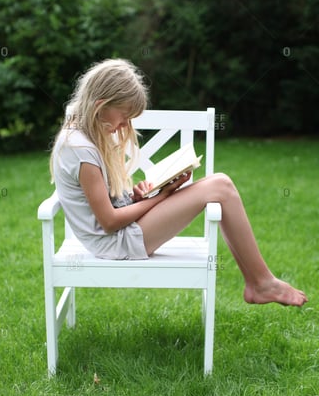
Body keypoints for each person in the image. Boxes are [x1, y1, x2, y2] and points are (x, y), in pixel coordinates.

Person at [50, 58, 308, 307]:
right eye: (124, 116)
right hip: (116, 242)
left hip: (122, 231)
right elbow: (108, 222)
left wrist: (137, 197)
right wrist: (160, 197)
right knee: (221, 186)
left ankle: (259, 282)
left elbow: (108, 203)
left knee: (221, 185)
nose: (124, 125)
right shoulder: (80, 149)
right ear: (101, 104)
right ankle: (261, 283)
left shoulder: (84, 136)